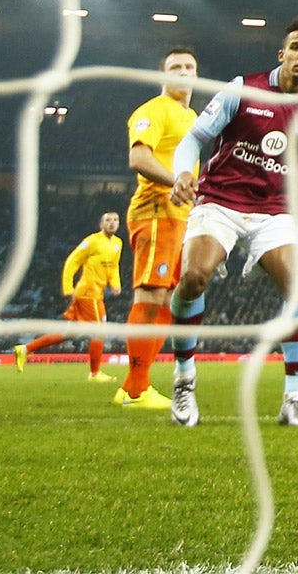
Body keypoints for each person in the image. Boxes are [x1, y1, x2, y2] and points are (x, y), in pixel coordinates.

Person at [165, 15, 298, 428]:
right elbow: (194, 138)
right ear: (282, 53)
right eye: (296, 47)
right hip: (220, 199)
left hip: (275, 210)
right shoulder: (244, 88)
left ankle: (293, 399)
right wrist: (183, 174)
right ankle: (184, 379)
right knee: (194, 275)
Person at [114, 47, 199, 408]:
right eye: (174, 67)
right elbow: (138, 157)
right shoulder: (153, 110)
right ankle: (136, 390)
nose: (182, 72)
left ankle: (135, 384)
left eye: (189, 67)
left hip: (179, 217)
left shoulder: (192, 116)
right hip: (154, 212)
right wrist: (175, 182)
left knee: (168, 301)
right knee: (149, 297)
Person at [16, 211, 124, 381]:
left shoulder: (118, 243)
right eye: (108, 220)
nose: (112, 223)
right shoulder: (92, 241)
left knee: (69, 333)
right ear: (101, 224)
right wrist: (68, 286)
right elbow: (72, 261)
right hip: (88, 293)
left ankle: (25, 349)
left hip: (97, 293)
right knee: (100, 332)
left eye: (115, 220)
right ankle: (95, 373)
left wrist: (115, 284)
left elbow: (113, 266)